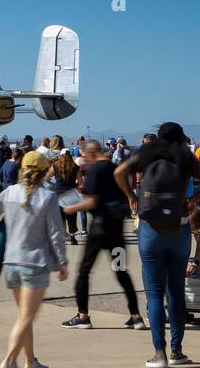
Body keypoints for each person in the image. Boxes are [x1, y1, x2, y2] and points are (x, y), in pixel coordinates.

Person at [116, 121, 200, 368]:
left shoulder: (146, 152)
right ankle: (177, 351)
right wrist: (194, 199)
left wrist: (132, 197)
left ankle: (158, 353)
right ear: (181, 136)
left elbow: (118, 173)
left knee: (154, 293)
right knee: (176, 293)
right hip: (178, 229)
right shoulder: (185, 156)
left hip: (150, 230)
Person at [0, 151, 68, 368]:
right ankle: (9, 362)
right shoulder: (47, 197)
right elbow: (55, 233)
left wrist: (5, 232)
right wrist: (62, 262)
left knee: (25, 315)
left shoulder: (9, 192)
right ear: (43, 172)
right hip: (35, 263)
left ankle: (31, 363)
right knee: (27, 317)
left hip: (11, 261)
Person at [60, 139, 144, 330]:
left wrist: (72, 208)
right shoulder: (115, 168)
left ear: (89, 152)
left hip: (99, 230)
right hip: (116, 229)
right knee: (121, 270)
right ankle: (135, 316)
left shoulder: (95, 171)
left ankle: (83, 316)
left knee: (84, 271)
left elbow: (92, 202)